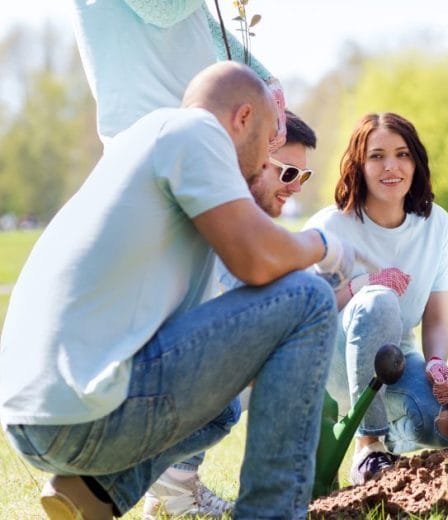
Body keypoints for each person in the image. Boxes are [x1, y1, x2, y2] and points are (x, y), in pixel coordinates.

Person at [0, 62, 352, 520]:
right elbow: (258, 260)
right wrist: (323, 244)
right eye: (268, 142)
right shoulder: (196, 132)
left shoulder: (146, 141)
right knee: (309, 298)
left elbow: (237, 318)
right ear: (242, 117)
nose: (268, 160)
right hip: (82, 413)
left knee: (223, 408)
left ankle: (94, 491)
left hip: (37, 416)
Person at [140, 109, 318, 519]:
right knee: (267, 358)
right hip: (129, 385)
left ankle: (173, 489)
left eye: (303, 177)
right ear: (254, 156)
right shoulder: (220, 222)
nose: (294, 187)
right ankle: (172, 494)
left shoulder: (230, 217)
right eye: (288, 172)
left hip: (155, 377)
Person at [303, 113, 448, 485]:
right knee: (378, 300)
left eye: (402, 154)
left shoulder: (436, 224)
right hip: (329, 365)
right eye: (376, 156)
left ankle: (386, 448)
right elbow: (298, 313)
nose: (391, 167)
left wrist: (438, 362)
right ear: (358, 165)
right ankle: (369, 445)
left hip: (396, 357)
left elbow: (437, 318)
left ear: (416, 163)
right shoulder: (329, 226)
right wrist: (364, 284)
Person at [71, 0, 287, 148]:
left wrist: (265, 80)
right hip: (148, 137)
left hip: (188, 132)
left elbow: (205, 25)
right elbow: (161, 10)